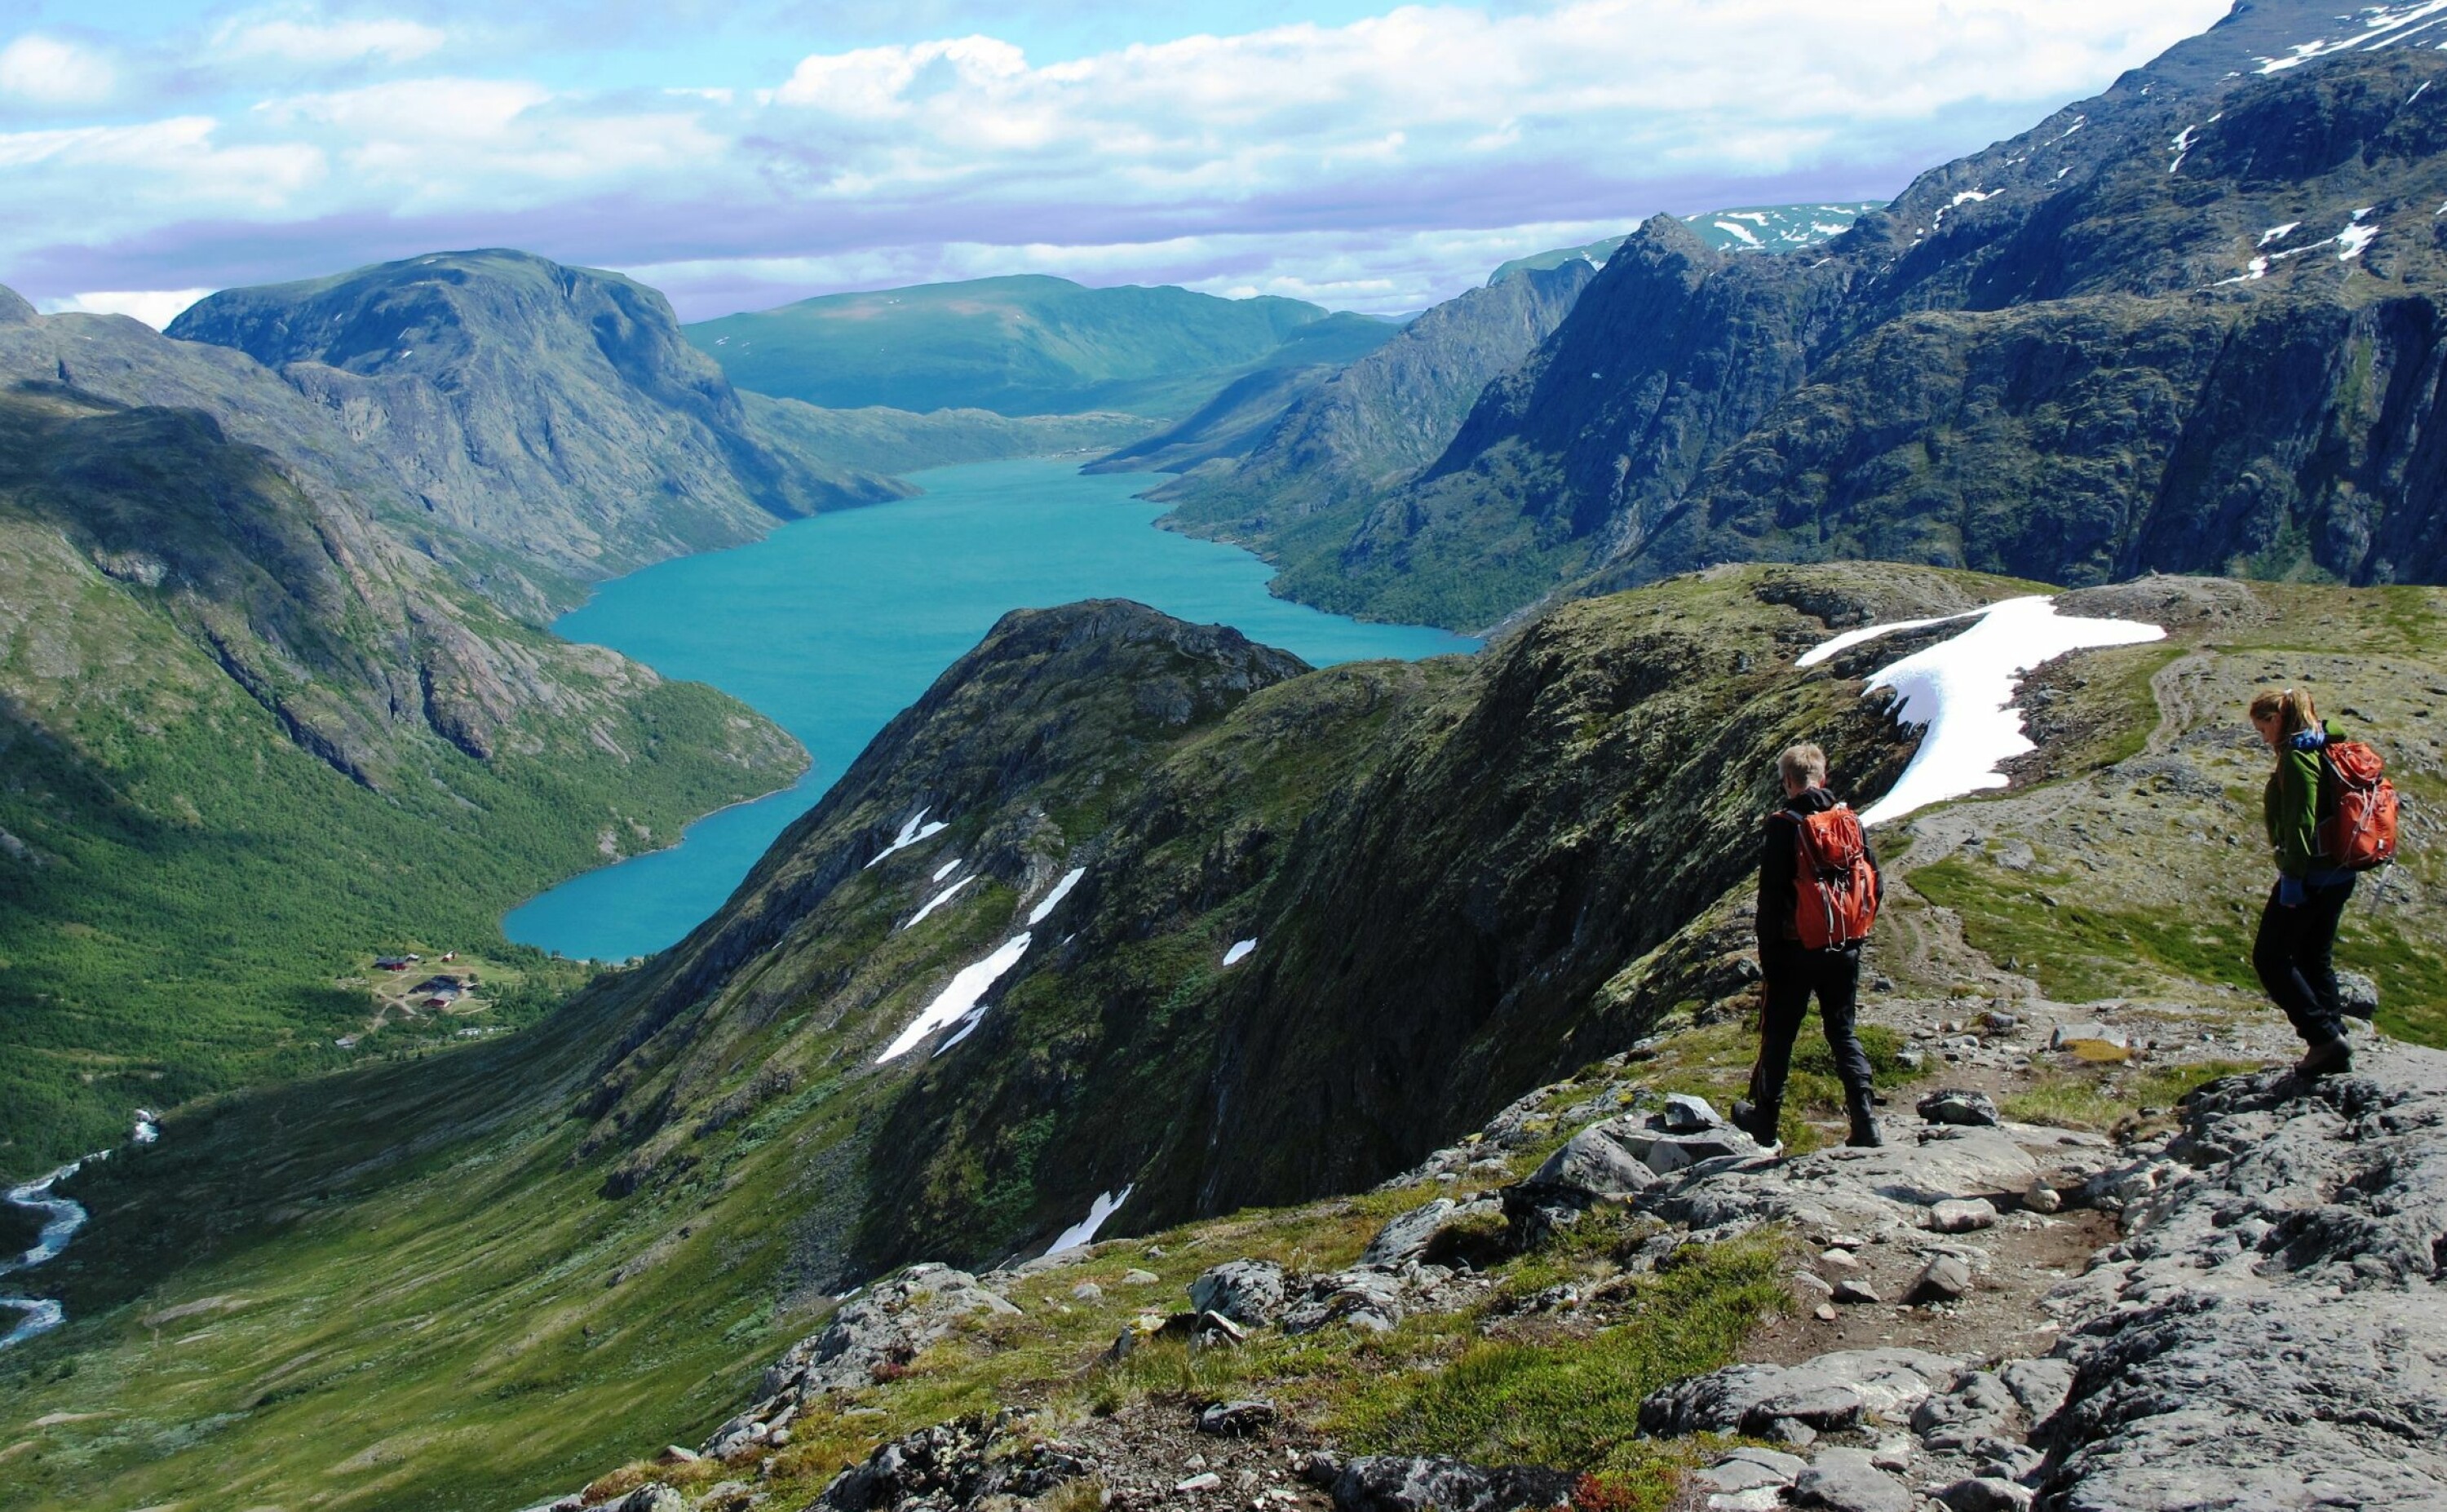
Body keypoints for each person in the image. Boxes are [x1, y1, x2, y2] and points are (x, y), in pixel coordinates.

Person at [1732, 742, 1884, 1151]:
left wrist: (1770, 953)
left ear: (1787, 782)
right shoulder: (1848, 820)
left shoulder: (1784, 825)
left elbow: (1771, 896)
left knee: (1779, 1034)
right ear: (1824, 776)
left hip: (1796, 951)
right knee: (1842, 1032)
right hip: (1845, 946)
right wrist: (1853, 933)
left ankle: (1766, 1120)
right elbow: (1876, 882)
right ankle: (1866, 1123)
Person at [2250, 687, 2357, 1078]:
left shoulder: (2297, 758)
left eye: (2262, 729)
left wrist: (2292, 878)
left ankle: (2323, 1039)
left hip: (2309, 874)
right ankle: (2336, 1035)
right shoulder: (2326, 742)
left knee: (2271, 958)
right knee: (2315, 955)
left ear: (2276, 720)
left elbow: (2300, 824)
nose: (2262, 738)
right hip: (2340, 872)